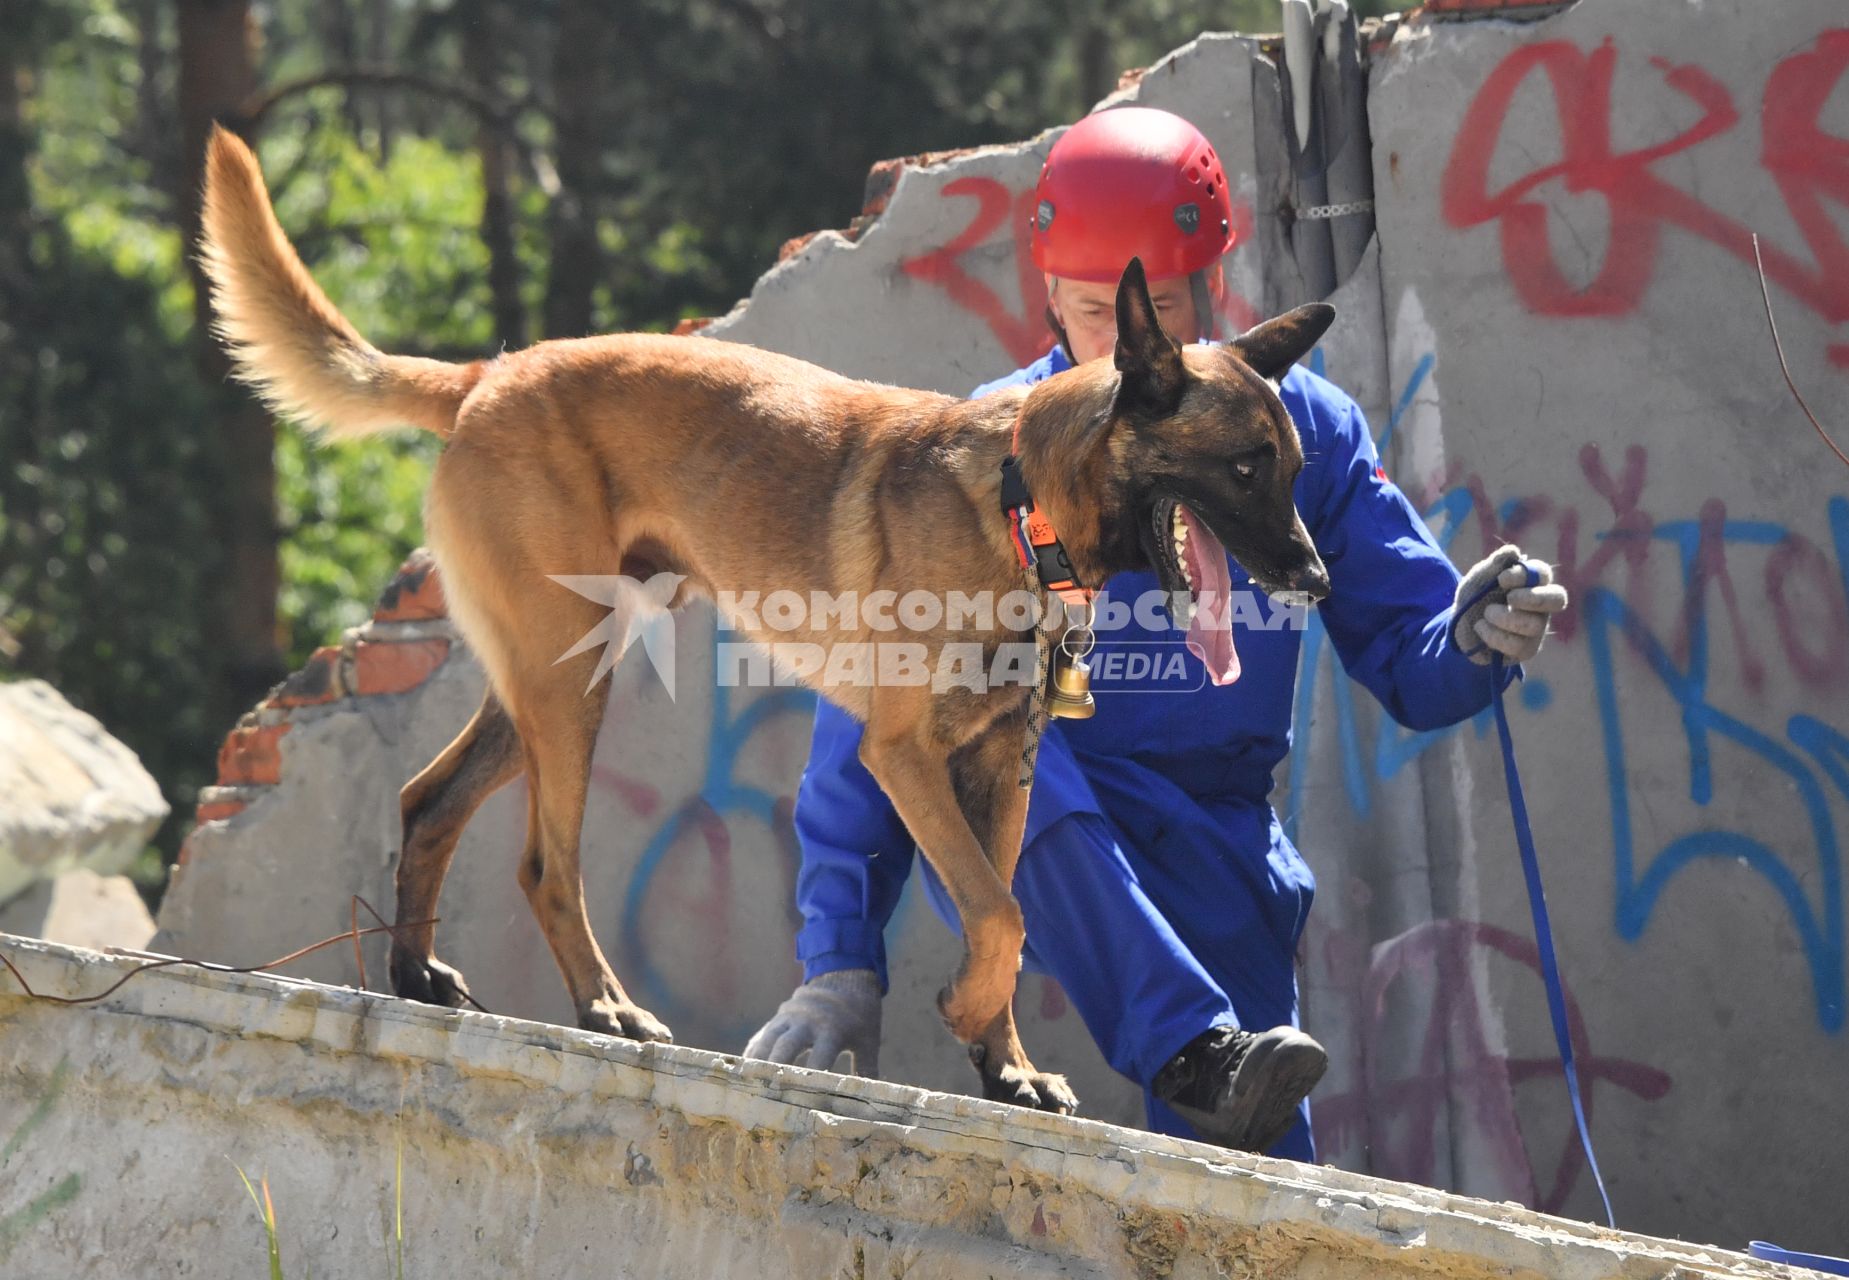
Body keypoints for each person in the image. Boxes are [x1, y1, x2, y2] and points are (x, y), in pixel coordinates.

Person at [745, 106, 1568, 1160]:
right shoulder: (989, 449)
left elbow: (1411, 650)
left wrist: (1476, 635)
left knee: (1257, 1163)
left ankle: (1215, 1068)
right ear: (1048, 293)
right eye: (1096, 313)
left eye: (1158, 310)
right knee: (995, 737)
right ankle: (1188, 1043)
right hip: (1044, 828)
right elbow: (880, 693)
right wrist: (840, 957)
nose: (1123, 352)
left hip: (1217, 832)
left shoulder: (1297, 427)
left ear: (1213, 288)